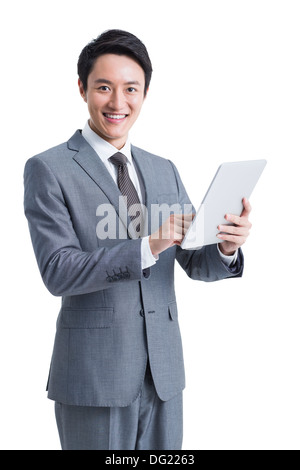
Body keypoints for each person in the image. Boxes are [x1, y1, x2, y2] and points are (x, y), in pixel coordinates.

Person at [24, 29, 252, 450]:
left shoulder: (163, 169)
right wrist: (148, 245)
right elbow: (57, 271)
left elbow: (194, 262)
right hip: (94, 377)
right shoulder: (48, 169)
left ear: (145, 93)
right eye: (104, 87)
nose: (117, 103)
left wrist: (225, 247)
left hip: (163, 376)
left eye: (131, 89)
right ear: (82, 88)